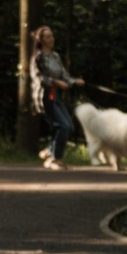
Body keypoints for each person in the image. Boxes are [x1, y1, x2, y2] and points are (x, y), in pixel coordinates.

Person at [30, 26, 79, 170]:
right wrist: (56, 82)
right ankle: (54, 159)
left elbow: (63, 75)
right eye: (48, 37)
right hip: (44, 95)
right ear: (41, 40)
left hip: (55, 95)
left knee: (69, 126)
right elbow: (38, 77)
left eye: (52, 36)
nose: (52, 39)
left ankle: (49, 151)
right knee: (62, 125)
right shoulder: (37, 57)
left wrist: (74, 81)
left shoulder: (55, 56)